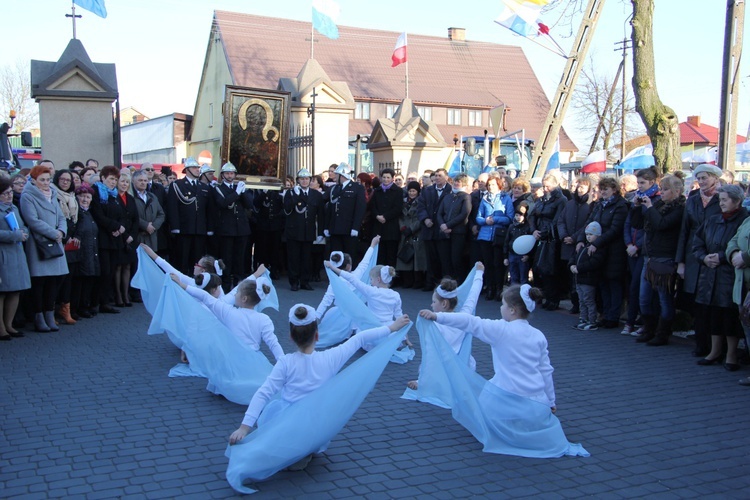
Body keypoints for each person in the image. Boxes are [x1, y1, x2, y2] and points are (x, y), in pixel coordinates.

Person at [227, 305, 410, 459]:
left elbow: (263, 392)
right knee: (310, 434)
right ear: (317, 335)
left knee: (275, 417)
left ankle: (290, 449)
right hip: (315, 420)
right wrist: (392, 327)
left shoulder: (286, 363)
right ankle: (304, 449)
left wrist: (244, 427)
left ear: (291, 337)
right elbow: (360, 337)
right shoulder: (330, 358)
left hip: (287, 418)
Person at [419, 284, 555, 409]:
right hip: (536, 397)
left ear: (512, 310)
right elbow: (545, 371)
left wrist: (437, 316)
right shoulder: (538, 335)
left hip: (507, 394)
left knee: (490, 423)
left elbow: (470, 321)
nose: (500, 308)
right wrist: (550, 400)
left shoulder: (501, 329)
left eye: (503, 305)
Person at [693, 184, 748, 370]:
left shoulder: (744, 220)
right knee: (713, 315)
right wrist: (704, 257)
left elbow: (739, 247)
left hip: (730, 275)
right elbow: (697, 242)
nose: (721, 203)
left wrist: (722, 257)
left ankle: (731, 355)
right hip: (709, 274)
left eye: (725, 200)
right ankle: (714, 351)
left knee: (730, 317)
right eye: (720, 200)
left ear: (737, 201)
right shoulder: (712, 220)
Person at [407, 262, 485, 389]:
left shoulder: (435, 325)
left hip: (441, 364)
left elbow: (431, 355)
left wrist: (421, 380)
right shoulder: (464, 316)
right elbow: (473, 294)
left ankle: (425, 381)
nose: (431, 305)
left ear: (443, 304)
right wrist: (479, 273)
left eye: (433, 302)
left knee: (433, 357)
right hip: (460, 364)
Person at [172, 273, 284, 362]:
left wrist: (182, 285)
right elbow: (273, 343)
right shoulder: (264, 319)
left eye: (237, 292)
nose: (235, 294)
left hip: (232, 362)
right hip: (252, 361)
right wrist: (282, 362)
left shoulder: (229, 312)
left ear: (244, 298)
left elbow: (205, 296)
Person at [629, 173, 685, 345]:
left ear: (677, 191)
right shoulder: (658, 205)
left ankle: (662, 333)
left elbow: (662, 224)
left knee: (664, 298)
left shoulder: (680, 208)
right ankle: (649, 328)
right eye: (661, 189)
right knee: (644, 297)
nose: (662, 192)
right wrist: (637, 207)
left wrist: (650, 207)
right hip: (650, 256)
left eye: (666, 189)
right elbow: (638, 224)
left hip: (665, 258)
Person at [676, 163, 723, 357]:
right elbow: (684, 231)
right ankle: (700, 339)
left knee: (711, 300)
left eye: (705, 177)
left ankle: (713, 345)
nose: (702, 181)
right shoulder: (693, 199)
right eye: (699, 178)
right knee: (694, 298)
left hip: (713, 252)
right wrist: (680, 261)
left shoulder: (722, 197)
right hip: (693, 253)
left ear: (714, 177)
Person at [20, 165, 69, 332]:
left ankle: (50, 314)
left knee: (53, 282)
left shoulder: (53, 194)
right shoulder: (28, 196)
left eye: (48, 179)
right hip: (39, 243)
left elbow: (61, 216)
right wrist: (53, 233)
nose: (46, 183)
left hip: (55, 241)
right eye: (42, 180)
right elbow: (32, 220)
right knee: (40, 283)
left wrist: (61, 231)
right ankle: (39, 316)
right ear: (33, 180)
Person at [576, 177, 628, 328]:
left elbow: (615, 229)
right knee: (603, 283)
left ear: (614, 189)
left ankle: (613, 316)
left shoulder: (620, 206)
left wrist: (597, 243)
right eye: (601, 189)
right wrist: (581, 239)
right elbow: (588, 223)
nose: (603, 192)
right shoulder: (599, 205)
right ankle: (605, 314)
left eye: (606, 189)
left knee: (613, 283)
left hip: (614, 250)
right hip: (600, 250)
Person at [622, 166, 661, 335]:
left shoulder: (656, 201)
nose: (639, 186)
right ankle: (632, 320)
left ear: (652, 182)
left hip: (644, 249)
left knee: (639, 287)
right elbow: (628, 223)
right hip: (631, 248)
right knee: (632, 286)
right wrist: (628, 244)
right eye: (638, 182)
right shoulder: (635, 198)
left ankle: (638, 322)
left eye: (643, 183)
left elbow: (649, 227)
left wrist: (637, 245)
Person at [167, 157, 215, 274]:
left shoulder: (204, 187)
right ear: (187, 170)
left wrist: (209, 228)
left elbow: (209, 210)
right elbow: (172, 208)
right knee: (182, 260)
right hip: (184, 229)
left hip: (200, 230)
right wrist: (175, 227)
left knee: (197, 261)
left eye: (198, 168)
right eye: (194, 168)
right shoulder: (177, 185)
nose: (198, 170)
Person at [212, 162, 253, 291]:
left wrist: (244, 192)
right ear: (223, 175)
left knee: (239, 258)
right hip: (227, 229)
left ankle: (238, 284)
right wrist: (236, 193)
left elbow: (249, 205)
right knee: (227, 258)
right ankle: (225, 285)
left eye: (232, 173)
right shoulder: (218, 188)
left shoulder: (239, 187)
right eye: (227, 173)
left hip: (241, 228)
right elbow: (223, 203)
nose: (230, 176)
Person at [284, 168, 325, 291]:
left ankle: (305, 281)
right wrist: (296, 196)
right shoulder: (291, 193)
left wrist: (321, 232)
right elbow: (287, 209)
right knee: (294, 258)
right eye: (302, 179)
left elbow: (321, 214)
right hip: (294, 231)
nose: (305, 181)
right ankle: (294, 282)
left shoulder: (316, 195)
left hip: (308, 231)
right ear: (297, 181)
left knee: (306, 258)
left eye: (307, 179)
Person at [0, 176, 31, 339]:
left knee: (15, 291)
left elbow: (22, 225)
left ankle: (9, 324)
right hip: (3, 255)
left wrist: (24, 232)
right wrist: (14, 235)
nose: (8, 196)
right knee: (2, 293)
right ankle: (1, 328)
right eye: (4, 194)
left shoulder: (14, 208)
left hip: (17, 254)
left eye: (10, 193)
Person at [530, 174, 567, 310]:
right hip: (540, 235)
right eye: (544, 186)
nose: (545, 189)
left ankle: (553, 298)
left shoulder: (561, 200)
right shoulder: (541, 200)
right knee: (539, 268)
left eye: (548, 186)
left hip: (552, 238)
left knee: (551, 269)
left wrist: (544, 233)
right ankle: (545, 295)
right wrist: (534, 230)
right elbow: (532, 216)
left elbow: (558, 220)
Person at [476, 175, 514, 300]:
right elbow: (478, 217)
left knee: (498, 264)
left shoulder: (506, 198)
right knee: (488, 263)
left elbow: (509, 217)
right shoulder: (485, 199)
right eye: (489, 185)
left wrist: (495, 219)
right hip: (485, 235)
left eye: (493, 184)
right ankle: (490, 288)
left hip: (498, 235)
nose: (491, 187)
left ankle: (499, 289)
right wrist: (485, 220)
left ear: (498, 185)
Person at [52, 169, 80, 324]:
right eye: (62, 179)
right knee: (58, 280)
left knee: (69, 279)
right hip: (60, 241)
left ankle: (65, 310)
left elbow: (77, 220)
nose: (65, 182)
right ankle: (52, 311)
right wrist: (67, 236)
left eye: (68, 180)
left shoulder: (73, 197)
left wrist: (77, 236)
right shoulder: (53, 195)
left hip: (73, 244)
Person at [417, 168, 452, 291]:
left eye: (440, 175)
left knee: (444, 259)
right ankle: (430, 283)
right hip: (429, 229)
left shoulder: (451, 190)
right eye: (436, 175)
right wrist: (425, 218)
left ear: (446, 177)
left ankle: (445, 285)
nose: (437, 178)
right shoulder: (427, 191)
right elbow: (420, 207)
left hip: (443, 230)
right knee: (430, 259)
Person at [727, 207, 750, 385]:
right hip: (743, 283)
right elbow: (733, 240)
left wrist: (746, 257)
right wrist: (734, 253)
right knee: (747, 327)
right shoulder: (747, 220)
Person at [69, 185, 100, 319]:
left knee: (88, 280)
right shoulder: (76, 213)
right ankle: (75, 308)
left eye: (88, 197)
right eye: (82, 196)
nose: (85, 199)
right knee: (79, 282)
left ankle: (84, 306)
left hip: (91, 251)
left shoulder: (90, 213)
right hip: (79, 252)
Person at [325, 162, 366, 262]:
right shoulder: (334, 188)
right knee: (336, 257)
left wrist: (355, 227)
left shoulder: (357, 188)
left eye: (337, 174)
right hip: (335, 228)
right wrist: (327, 226)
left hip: (349, 229)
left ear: (342, 176)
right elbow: (329, 208)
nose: (334, 176)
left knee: (350, 256)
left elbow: (360, 209)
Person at [569, 222, 607, 331]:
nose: (588, 237)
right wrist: (571, 265)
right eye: (587, 234)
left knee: (589, 300)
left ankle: (592, 321)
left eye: (591, 234)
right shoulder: (584, 246)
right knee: (581, 300)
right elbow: (574, 256)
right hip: (579, 279)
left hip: (588, 280)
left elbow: (594, 263)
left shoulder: (598, 248)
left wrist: (579, 268)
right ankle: (583, 319)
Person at [437, 172, 472, 282]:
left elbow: (464, 214)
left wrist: (448, 225)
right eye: (456, 181)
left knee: (456, 259)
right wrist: (443, 225)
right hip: (445, 232)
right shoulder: (448, 196)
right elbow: (439, 213)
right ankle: (448, 281)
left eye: (459, 182)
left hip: (458, 232)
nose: (457, 183)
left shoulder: (466, 197)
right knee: (445, 259)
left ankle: (460, 281)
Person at [113, 173, 139, 307]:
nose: (124, 184)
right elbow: (115, 219)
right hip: (119, 236)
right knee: (118, 267)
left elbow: (135, 219)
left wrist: (131, 236)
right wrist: (124, 236)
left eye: (127, 182)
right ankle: (118, 295)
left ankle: (125, 294)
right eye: (122, 181)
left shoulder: (130, 198)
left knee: (128, 266)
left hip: (130, 237)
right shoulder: (113, 197)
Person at [370, 168, 403, 268]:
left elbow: (398, 208)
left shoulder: (398, 191)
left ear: (392, 178)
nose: (385, 179)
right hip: (379, 227)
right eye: (384, 177)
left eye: (388, 177)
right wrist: (377, 216)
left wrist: (385, 217)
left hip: (391, 227)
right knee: (380, 255)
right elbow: (372, 206)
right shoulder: (377, 191)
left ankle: (389, 279)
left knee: (391, 255)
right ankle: (379, 278)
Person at [396, 181, 427, 289]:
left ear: (418, 192)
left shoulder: (421, 202)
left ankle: (418, 281)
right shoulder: (403, 202)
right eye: (410, 191)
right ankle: (407, 280)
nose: (411, 193)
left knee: (417, 258)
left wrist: (411, 229)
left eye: (414, 191)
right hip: (405, 232)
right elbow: (400, 217)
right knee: (405, 256)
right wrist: (403, 227)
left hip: (416, 232)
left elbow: (420, 218)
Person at [253, 187, 285, 280]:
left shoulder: (278, 194)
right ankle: (263, 270)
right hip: (263, 226)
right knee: (263, 250)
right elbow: (256, 204)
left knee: (275, 249)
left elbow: (283, 209)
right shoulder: (261, 193)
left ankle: (274, 270)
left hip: (276, 226)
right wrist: (263, 193)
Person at [132, 170, 166, 250]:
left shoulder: (152, 197)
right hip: (137, 237)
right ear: (133, 181)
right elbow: (130, 215)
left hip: (151, 238)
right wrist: (145, 225)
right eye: (140, 180)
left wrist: (153, 226)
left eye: (145, 180)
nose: (143, 183)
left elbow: (161, 214)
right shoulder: (130, 197)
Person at [504, 200, 532, 285]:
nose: (518, 217)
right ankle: (514, 295)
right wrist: (505, 256)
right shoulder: (511, 227)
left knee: (523, 278)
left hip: (523, 256)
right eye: (516, 215)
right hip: (512, 254)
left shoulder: (528, 228)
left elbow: (531, 243)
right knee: (513, 277)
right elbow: (506, 241)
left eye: (521, 215)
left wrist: (528, 255)